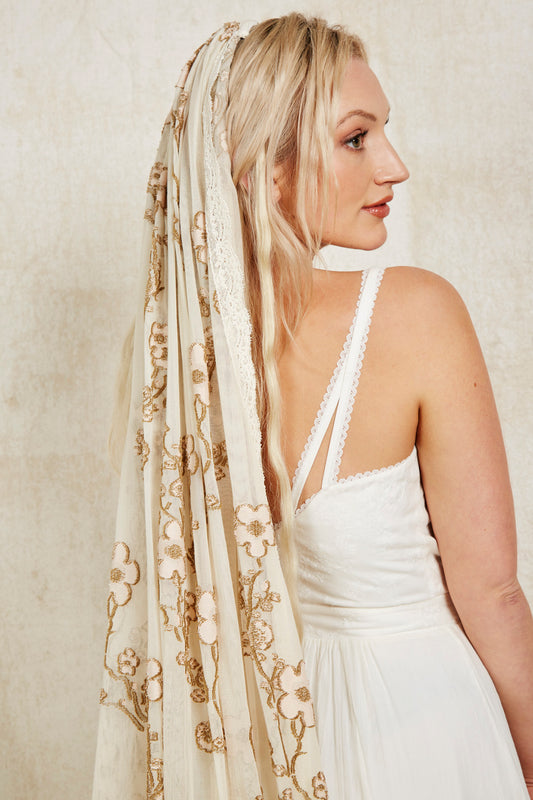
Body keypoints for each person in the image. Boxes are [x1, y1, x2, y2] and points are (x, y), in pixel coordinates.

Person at [92, 14, 533, 800]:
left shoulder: (172, 362)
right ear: (268, 170)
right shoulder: (415, 311)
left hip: (275, 747)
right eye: (356, 138)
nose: (393, 166)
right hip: (424, 730)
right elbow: (492, 594)